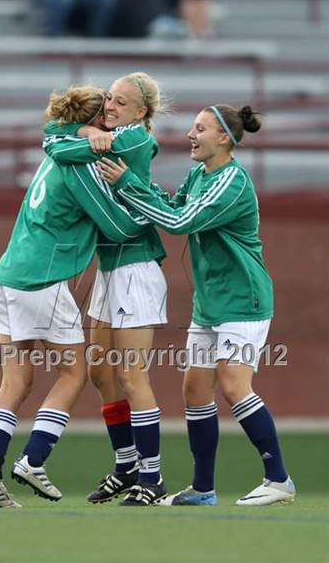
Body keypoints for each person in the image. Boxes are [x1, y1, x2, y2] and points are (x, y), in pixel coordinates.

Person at [96, 103, 296, 507]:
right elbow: (171, 207)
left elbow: (179, 222)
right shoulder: (198, 175)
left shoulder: (232, 181)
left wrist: (128, 184)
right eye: (192, 127)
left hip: (244, 300)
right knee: (194, 390)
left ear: (224, 138)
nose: (191, 134)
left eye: (200, 128)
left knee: (234, 385)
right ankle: (203, 489)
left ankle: (278, 479)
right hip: (210, 303)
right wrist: (134, 184)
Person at [0, 85, 151, 508]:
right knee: (73, 374)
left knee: (15, 382)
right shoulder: (82, 165)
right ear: (91, 122)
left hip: (7, 275)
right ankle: (34, 459)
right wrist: (148, 208)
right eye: (104, 118)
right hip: (43, 279)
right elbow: (116, 228)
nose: (110, 122)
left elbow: (55, 133)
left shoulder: (57, 150)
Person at [43, 72, 169, 506]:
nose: (110, 107)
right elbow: (54, 133)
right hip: (109, 268)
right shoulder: (107, 131)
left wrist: (76, 137)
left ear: (141, 112)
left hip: (136, 268)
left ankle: (153, 478)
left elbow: (55, 144)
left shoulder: (135, 139)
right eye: (109, 99)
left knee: (133, 375)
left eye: (121, 103)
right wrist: (86, 129)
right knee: (100, 372)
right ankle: (127, 464)